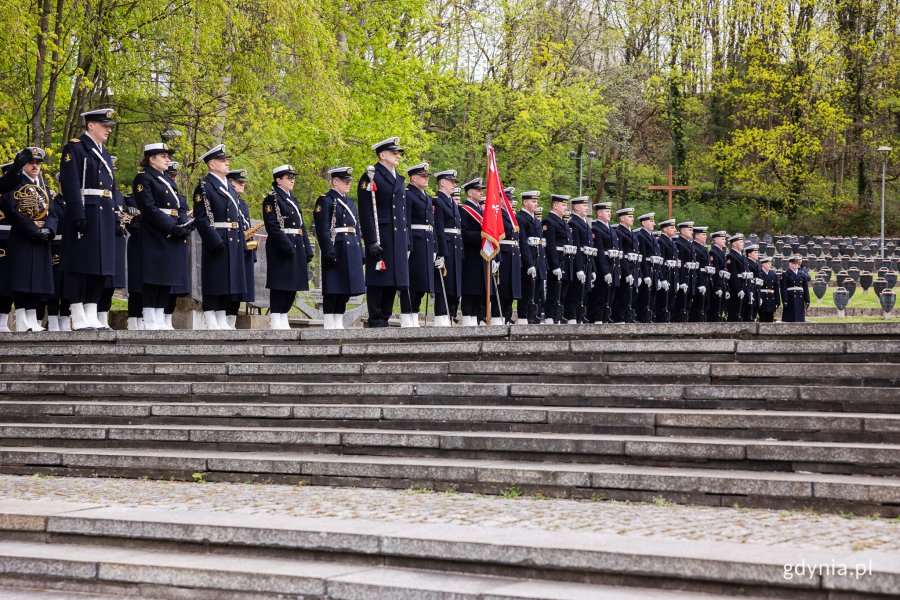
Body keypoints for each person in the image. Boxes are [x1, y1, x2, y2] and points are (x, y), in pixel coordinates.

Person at [58, 109, 118, 330]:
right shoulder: (75, 148)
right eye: (105, 125)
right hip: (86, 211)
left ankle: (91, 311)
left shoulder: (104, 152)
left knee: (100, 266)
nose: (109, 129)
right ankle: (77, 312)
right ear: (91, 125)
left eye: (109, 125)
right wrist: (77, 213)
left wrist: (117, 214)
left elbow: (113, 187)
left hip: (104, 213)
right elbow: (71, 183)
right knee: (80, 265)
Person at [132, 143, 194, 330]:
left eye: (168, 156)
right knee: (153, 277)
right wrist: (170, 227)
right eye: (163, 156)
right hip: (154, 233)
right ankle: (150, 317)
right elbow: (148, 208)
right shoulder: (144, 178)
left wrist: (183, 225)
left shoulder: (166, 180)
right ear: (151, 159)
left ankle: (160, 316)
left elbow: (179, 207)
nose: (168, 159)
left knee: (167, 277)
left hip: (171, 232)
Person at [192, 144, 248, 330]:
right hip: (218, 236)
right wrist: (214, 239)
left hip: (233, 237)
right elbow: (202, 218)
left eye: (227, 160)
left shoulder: (229, 187)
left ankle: (222, 316)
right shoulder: (205, 186)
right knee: (215, 278)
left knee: (229, 280)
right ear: (211, 165)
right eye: (222, 161)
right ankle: (210, 316)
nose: (227, 163)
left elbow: (237, 217)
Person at [1, 147, 57, 332]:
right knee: (22, 282)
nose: (35, 166)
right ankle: (23, 320)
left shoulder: (44, 188)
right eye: (30, 162)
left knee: (38, 283)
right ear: (23, 165)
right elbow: (13, 211)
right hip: (23, 237)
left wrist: (49, 228)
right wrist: (34, 230)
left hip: (42, 238)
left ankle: (33, 320)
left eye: (38, 163)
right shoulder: (15, 185)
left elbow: (53, 213)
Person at [357, 137, 410, 328]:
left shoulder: (398, 177)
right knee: (379, 279)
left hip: (398, 237)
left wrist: (407, 241)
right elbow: (366, 211)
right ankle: (376, 319)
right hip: (382, 235)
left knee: (394, 280)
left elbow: (403, 213)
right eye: (393, 152)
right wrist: (370, 240)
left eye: (397, 152)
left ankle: (385, 318)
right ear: (382, 155)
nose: (397, 155)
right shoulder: (371, 176)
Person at [263, 164, 314, 330]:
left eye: (293, 178)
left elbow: (302, 226)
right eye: (288, 178)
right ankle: (276, 317)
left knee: (293, 284)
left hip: (297, 244)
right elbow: (272, 225)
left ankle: (284, 314)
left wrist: (307, 248)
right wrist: (286, 246)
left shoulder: (292, 198)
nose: (292, 180)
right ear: (278, 180)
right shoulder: (272, 199)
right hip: (281, 246)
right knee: (280, 284)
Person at [314, 167, 365, 329]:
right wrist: (328, 249)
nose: (348, 184)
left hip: (351, 248)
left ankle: (339, 318)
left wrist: (360, 250)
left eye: (349, 181)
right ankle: (330, 320)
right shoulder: (326, 200)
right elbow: (322, 229)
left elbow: (356, 227)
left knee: (347, 287)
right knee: (334, 286)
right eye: (345, 181)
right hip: (337, 247)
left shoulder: (350, 201)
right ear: (335, 181)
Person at [401, 163, 443, 327]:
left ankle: (414, 313)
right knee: (411, 281)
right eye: (423, 177)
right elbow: (406, 222)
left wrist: (435, 247)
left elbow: (431, 224)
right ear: (413, 178)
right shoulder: (408, 194)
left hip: (426, 242)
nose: (426, 180)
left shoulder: (426, 196)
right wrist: (407, 245)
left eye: (427, 177)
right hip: (415, 242)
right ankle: (406, 314)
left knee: (422, 282)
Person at [433, 170, 462, 326]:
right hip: (446, 246)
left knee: (454, 284)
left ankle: (450, 314)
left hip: (456, 246)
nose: (454, 185)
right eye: (451, 182)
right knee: (444, 283)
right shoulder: (437, 201)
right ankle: (441, 316)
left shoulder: (451, 201)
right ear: (442, 183)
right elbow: (439, 228)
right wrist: (441, 252)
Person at [165, 161, 193, 328]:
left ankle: (168, 317)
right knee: (164, 283)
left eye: (175, 177)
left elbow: (183, 218)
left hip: (179, 243)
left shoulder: (180, 198)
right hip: (166, 240)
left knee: (176, 286)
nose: (173, 180)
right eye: (170, 176)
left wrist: (188, 226)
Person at [459, 178, 489, 326]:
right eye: (478, 190)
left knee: (480, 288)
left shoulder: (479, 210)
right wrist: (482, 237)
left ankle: (476, 317)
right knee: (470, 288)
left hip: (481, 254)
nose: (481, 192)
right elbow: (463, 233)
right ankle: (467, 317)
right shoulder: (464, 210)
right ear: (470, 193)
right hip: (470, 254)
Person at [543, 195, 573, 324]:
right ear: (555, 205)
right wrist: (555, 265)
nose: (566, 207)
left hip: (565, 260)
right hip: (556, 261)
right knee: (553, 290)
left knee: (562, 292)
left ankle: (558, 314)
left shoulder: (562, 221)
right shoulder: (549, 221)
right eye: (563, 205)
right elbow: (550, 245)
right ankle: (550, 316)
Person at [588, 201, 619, 324]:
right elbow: (600, 252)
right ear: (599, 213)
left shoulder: (611, 229)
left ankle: (605, 318)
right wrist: (605, 271)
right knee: (600, 296)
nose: (609, 213)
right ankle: (597, 319)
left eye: (609, 211)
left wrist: (617, 270)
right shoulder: (596, 229)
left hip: (613, 266)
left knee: (609, 297)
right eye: (606, 211)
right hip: (603, 268)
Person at [516, 191, 544, 324]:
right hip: (527, 261)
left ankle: (532, 316)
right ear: (525, 203)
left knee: (536, 291)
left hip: (537, 259)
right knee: (526, 290)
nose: (536, 204)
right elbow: (523, 243)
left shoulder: (534, 219)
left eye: (536, 201)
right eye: (533, 201)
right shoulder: (520, 218)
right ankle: (523, 317)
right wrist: (529, 264)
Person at [564, 197, 592, 324]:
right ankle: (572, 317)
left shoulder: (585, 223)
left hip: (587, 262)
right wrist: (579, 268)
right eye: (584, 205)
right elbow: (577, 247)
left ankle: (579, 316)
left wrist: (593, 269)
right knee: (575, 292)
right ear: (575, 207)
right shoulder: (573, 223)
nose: (587, 208)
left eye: (587, 206)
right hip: (578, 263)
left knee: (583, 292)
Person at [498, 187, 522, 325]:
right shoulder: (499, 214)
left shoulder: (510, 215)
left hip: (513, 254)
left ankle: (506, 316)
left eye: (511, 199)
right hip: (504, 253)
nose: (510, 201)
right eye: (507, 199)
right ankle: (499, 315)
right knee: (503, 288)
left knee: (511, 289)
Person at [612, 207, 638, 323]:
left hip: (633, 268)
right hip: (624, 268)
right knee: (621, 296)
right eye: (629, 216)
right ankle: (619, 319)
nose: (632, 219)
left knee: (630, 296)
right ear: (622, 218)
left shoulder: (632, 233)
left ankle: (628, 317)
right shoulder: (618, 232)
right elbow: (621, 255)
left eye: (632, 216)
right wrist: (626, 272)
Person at [635, 212, 660, 323]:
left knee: (652, 296)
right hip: (647, 270)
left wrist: (658, 276)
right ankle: (642, 318)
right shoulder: (641, 235)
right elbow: (643, 257)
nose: (654, 223)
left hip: (653, 270)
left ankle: (649, 317)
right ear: (644, 223)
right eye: (651, 221)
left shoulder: (652, 237)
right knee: (644, 296)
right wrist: (644, 275)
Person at [654, 218, 677, 323]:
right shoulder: (661, 241)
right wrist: (662, 278)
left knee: (670, 302)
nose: (675, 230)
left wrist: (676, 280)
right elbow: (661, 262)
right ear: (665, 229)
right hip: (665, 276)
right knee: (662, 302)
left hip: (672, 276)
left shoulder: (672, 242)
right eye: (672, 228)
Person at [725, 233, 748, 322]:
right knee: (735, 312)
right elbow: (733, 274)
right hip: (736, 289)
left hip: (744, 286)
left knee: (742, 312)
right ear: (734, 244)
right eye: (741, 242)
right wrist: (738, 289)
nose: (743, 244)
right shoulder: (731, 256)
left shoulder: (742, 256)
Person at [708, 230, 729, 322]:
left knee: (720, 309)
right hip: (718, 285)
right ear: (716, 240)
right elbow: (715, 272)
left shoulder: (721, 252)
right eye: (723, 239)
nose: (725, 241)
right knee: (715, 310)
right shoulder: (713, 252)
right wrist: (717, 287)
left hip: (723, 284)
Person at [690, 226, 710, 322]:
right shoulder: (694, 246)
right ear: (697, 236)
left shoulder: (703, 248)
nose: (705, 236)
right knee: (697, 305)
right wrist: (700, 283)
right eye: (703, 234)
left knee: (705, 303)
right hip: (699, 279)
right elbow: (697, 267)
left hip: (706, 278)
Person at [781, 255, 809, 322]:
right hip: (790, 298)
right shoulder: (786, 274)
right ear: (790, 264)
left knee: (799, 318)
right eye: (794, 263)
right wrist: (784, 300)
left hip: (800, 298)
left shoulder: (802, 274)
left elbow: (805, 288)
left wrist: (807, 300)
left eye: (797, 263)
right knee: (790, 318)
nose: (796, 265)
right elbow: (783, 288)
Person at [757, 256, 780, 322]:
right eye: (768, 263)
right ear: (763, 264)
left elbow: (776, 288)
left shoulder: (773, 274)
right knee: (763, 318)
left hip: (771, 299)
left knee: (770, 319)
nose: (770, 265)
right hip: (762, 298)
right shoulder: (759, 273)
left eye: (770, 263)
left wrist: (778, 301)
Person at [743, 243, 762, 322]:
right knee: (748, 314)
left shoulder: (756, 264)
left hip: (756, 290)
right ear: (749, 254)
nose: (757, 254)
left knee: (753, 314)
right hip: (750, 290)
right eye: (755, 253)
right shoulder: (747, 263)